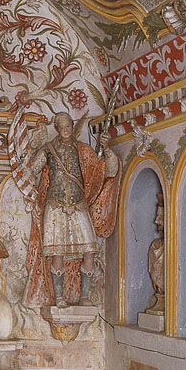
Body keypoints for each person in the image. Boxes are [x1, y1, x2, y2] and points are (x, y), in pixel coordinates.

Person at [17, 111, 120, 306]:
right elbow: (31, 170)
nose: (65, 130)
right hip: (55, 205)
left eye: (68, 126)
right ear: (56, 128)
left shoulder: (83, 150)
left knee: (89, 250)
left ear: (73, 126)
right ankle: (59, 297)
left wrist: (106, 149)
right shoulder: (48, 150)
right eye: (61, 127)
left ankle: (84, 296)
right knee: (58, 253)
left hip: (79, 204)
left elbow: (109, 170)